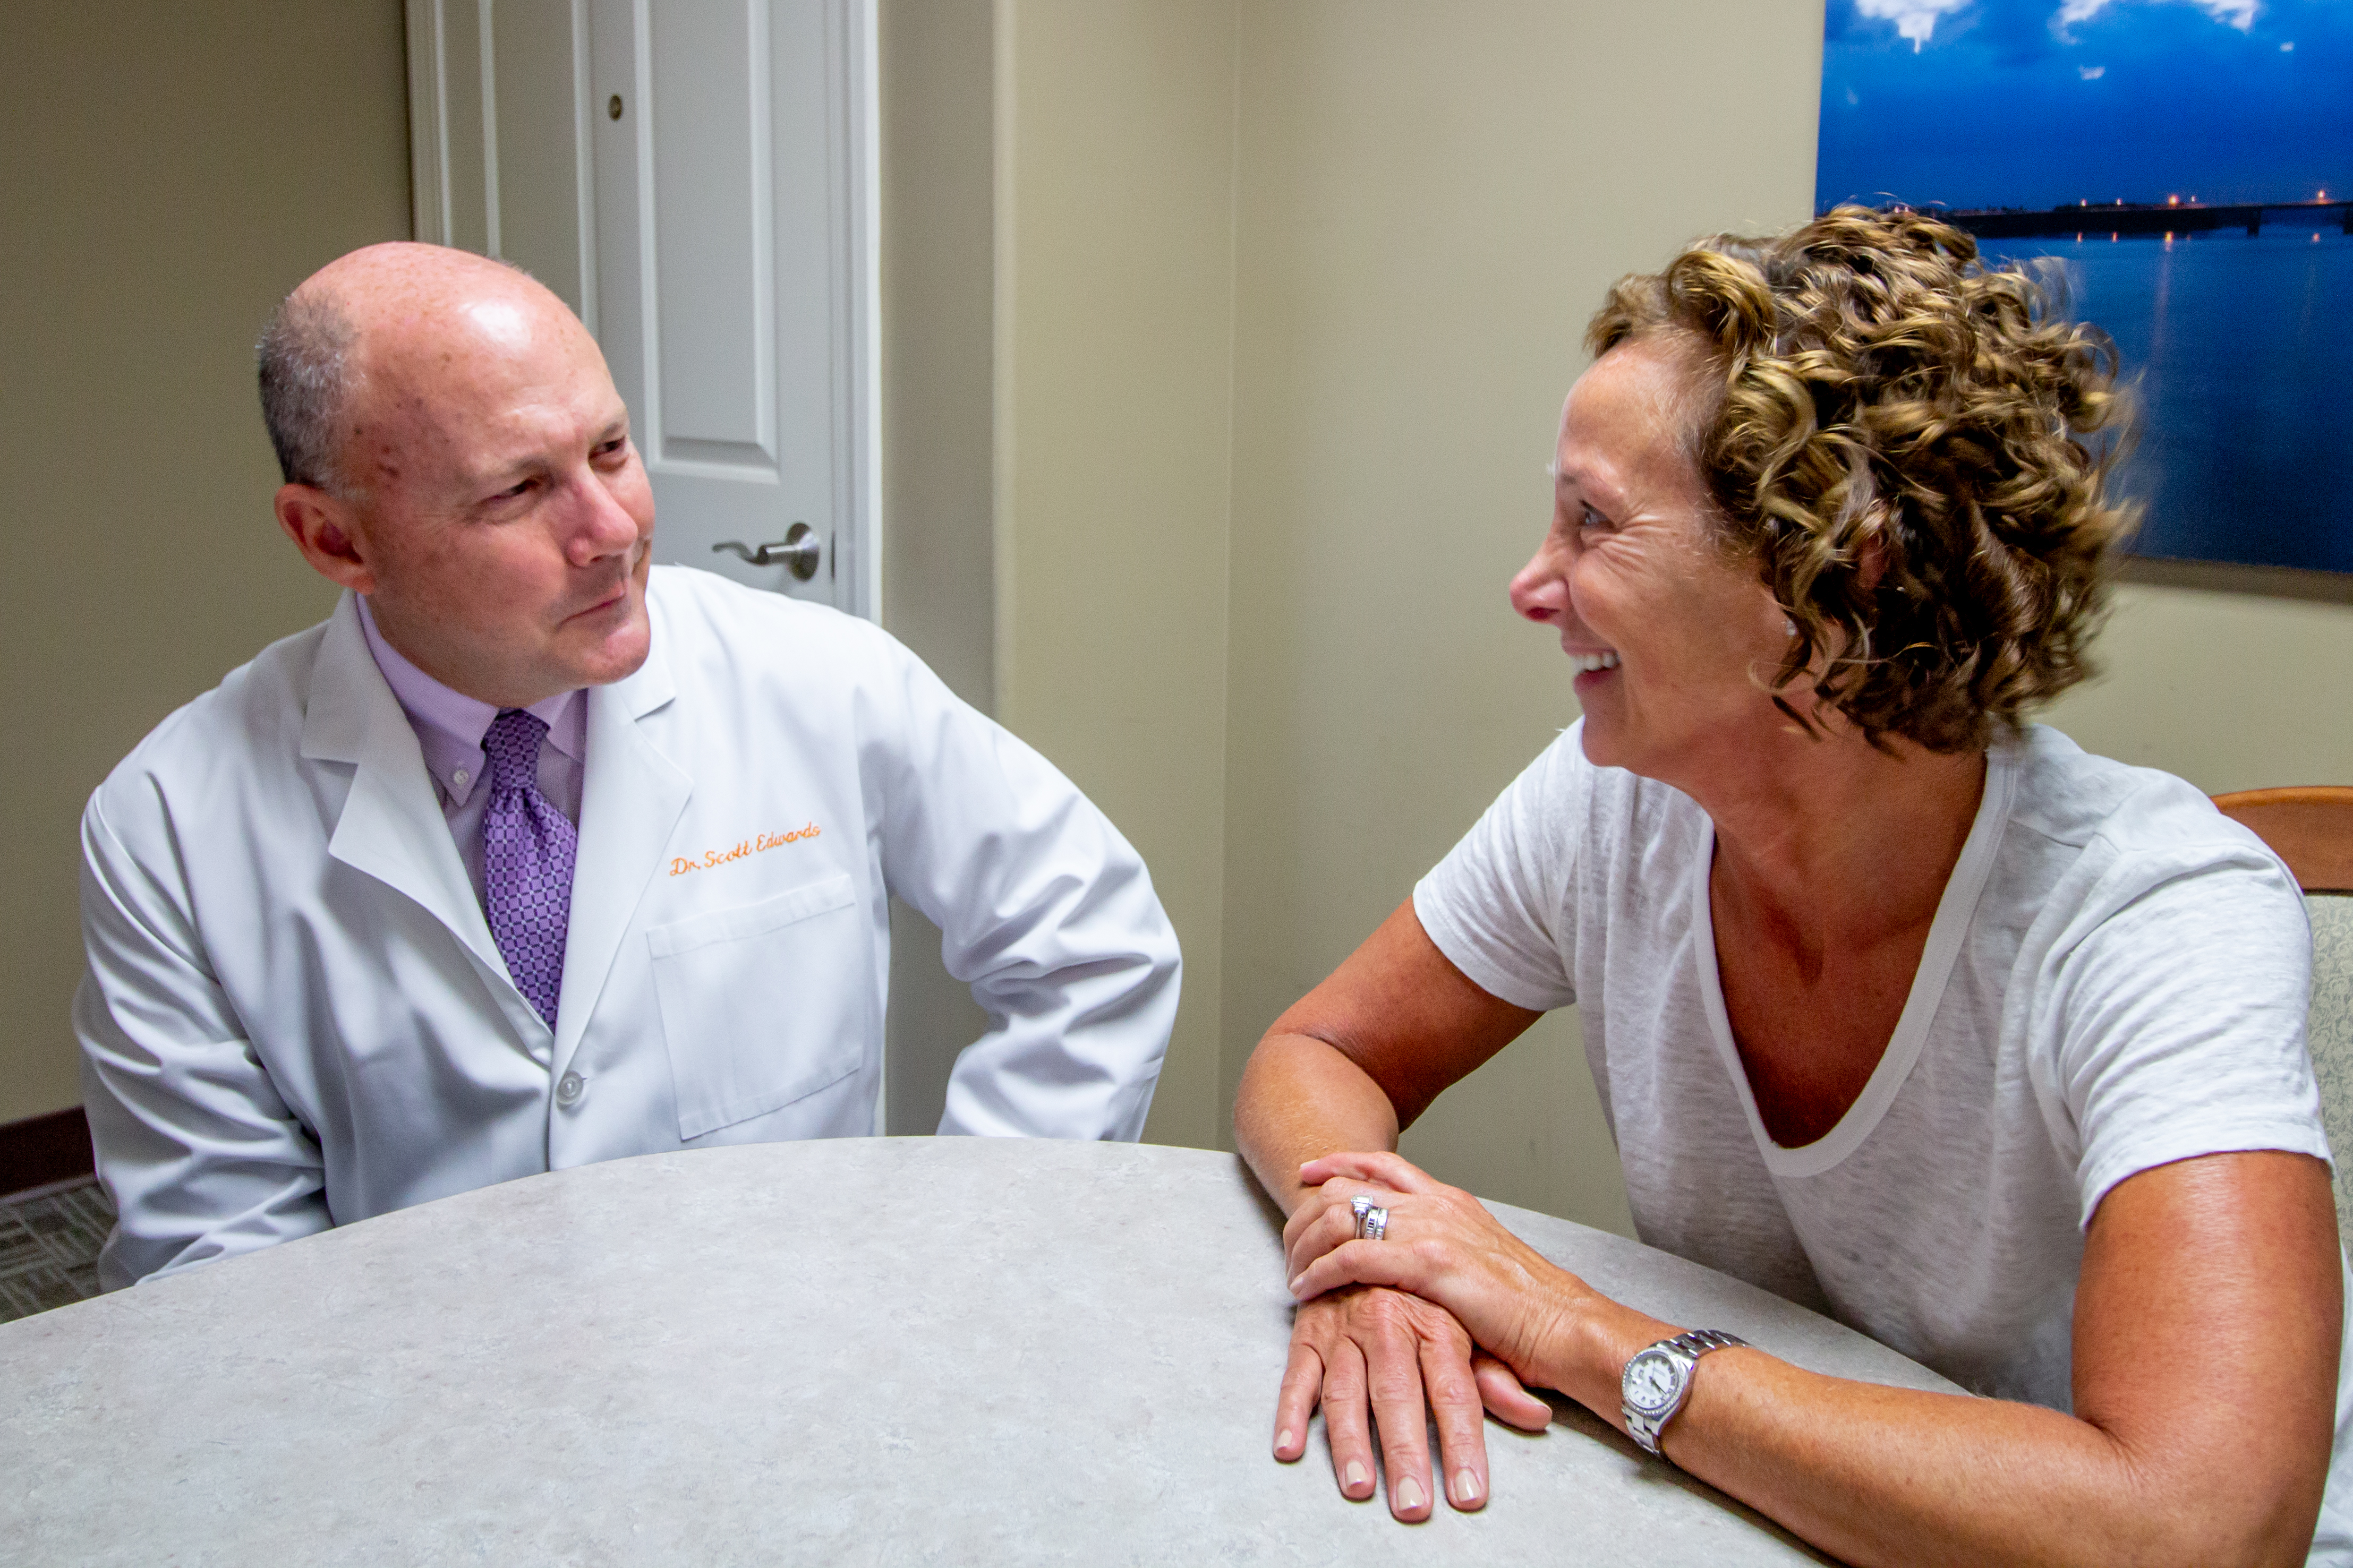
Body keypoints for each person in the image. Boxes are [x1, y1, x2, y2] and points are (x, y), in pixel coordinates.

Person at [1233, 208, 2349, 1564]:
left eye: (1593, 521)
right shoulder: (1611, 801)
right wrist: (1365, 1245)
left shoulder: (2152, 916)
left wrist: (1580, 1331)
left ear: (1830, 573)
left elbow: (2205, 1534)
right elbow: (1318, 1049)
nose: (1534, 583)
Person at [78, 243, 1180, 1289]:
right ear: (335, 541)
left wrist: (950, 1255)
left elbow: (1093, 945)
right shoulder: (169, 827)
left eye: (610, 449)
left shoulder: (818, 680)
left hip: (805, 1375)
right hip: (430, 1425)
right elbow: (218, 1261)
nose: (615, 529)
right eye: (518, 490)